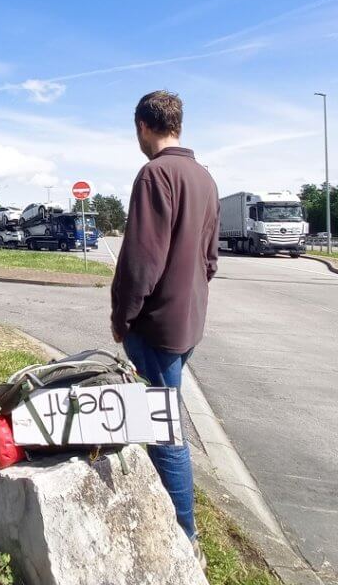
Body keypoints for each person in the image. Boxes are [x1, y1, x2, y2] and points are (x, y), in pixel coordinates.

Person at [110, 90, 219, 563]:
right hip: (189, 321)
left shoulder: (156, 174)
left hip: (156, 327)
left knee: (165, 430)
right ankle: (163, 511)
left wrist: (122, 316)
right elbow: (210, 259)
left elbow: (141, 261)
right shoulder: (204, 177)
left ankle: (184, 538)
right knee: (161, 416)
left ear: (142, 126)